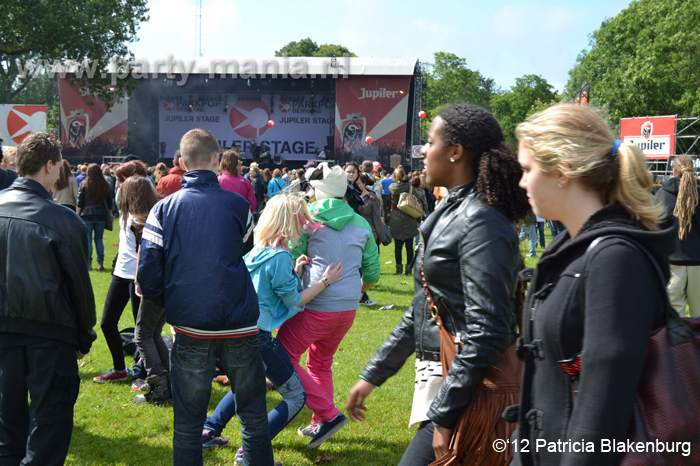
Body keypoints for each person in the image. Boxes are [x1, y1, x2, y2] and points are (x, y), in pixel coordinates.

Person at [346, 104, 529, 466]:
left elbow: (488, 330)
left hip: (474, 387)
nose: (423, 152)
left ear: (456, 151)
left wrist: (445, 414)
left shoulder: (480, 219)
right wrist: (373, 374)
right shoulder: (455, 211)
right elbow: (423, 310)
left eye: (430, 142)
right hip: (452, 380)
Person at [511, 104, 677, 465]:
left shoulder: (616, 259)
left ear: (563, 170)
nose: (522, 182)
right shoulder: (568, 249)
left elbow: (603, 408)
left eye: (527, 169)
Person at [138, 128, 275, 466]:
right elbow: (241, 248)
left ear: (181, 163)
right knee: (254, 419)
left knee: (187, 425)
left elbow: (148, 276)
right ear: (216, 159)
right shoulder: (239, 205)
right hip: (239, 323)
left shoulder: (163, 209)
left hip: (191, 326)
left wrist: (174, 306)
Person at [202, 194, 344, 454]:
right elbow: (293, 300)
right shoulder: (279, 258)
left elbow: (270, 289)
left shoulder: (258, 251)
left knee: (249, 384)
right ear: (287, 223)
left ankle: (208, 431)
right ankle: (251, 452)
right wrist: (326, 281)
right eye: (301, 220)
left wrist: (296, 272)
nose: (303, 226)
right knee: (295, 396)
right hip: (259, 337)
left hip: (239, 332)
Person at [0, 132, 97, 464]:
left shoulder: (65, 220)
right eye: (59, 167)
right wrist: (84, 334)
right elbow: (81, 291)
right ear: (48, 165)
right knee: (47, 431)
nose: (60, 174)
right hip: (49, 339)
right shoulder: (64, 220)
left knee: (8, 430)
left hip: (23, 337)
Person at [277, 162, 381, 449]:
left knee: (281, 356)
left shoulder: (307, 217)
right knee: (320, 363)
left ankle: (326, 414)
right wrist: (357, 292)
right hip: (347, 309)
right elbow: (372, 272)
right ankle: (320, 422)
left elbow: (290, 256)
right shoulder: (360, 222)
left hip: (315, 304)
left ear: (315, 191)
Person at [654, 154, 700, 317]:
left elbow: (654, 229)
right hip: (698, 263)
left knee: (674, 320)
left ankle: (679, 344)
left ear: (673, 170)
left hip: (672, 261)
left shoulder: (661, 195)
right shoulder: (698, 194)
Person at [389, 169, 427, 275]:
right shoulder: (410, 187)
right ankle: (409, 270)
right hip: (409, 216)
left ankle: (398, 270)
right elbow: (417, 202)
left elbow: (389, 202)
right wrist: (418, 219)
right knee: (409, 246)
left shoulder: (391, 187)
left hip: (396, 216)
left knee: (398, 246)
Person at [76, 163, 113, 271]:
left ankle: (89, 264)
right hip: (101, 215)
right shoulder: (105, 184)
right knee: (98, 239)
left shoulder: (84, 184)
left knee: (88, 239)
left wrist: (77, 215)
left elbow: (80, 201)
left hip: (86, 215)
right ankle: (100, 264)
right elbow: (109, 202)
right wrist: (109, 214)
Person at [357, 172, 386, 306]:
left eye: (358, 183)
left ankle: (362, 295)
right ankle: (361, 297)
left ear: (364, 184)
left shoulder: (372, 197)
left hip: (370, 235)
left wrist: (381, 237)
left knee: (366, 267)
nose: (356, 186)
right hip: (353, 235)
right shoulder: (348, 196)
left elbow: (377, 219)